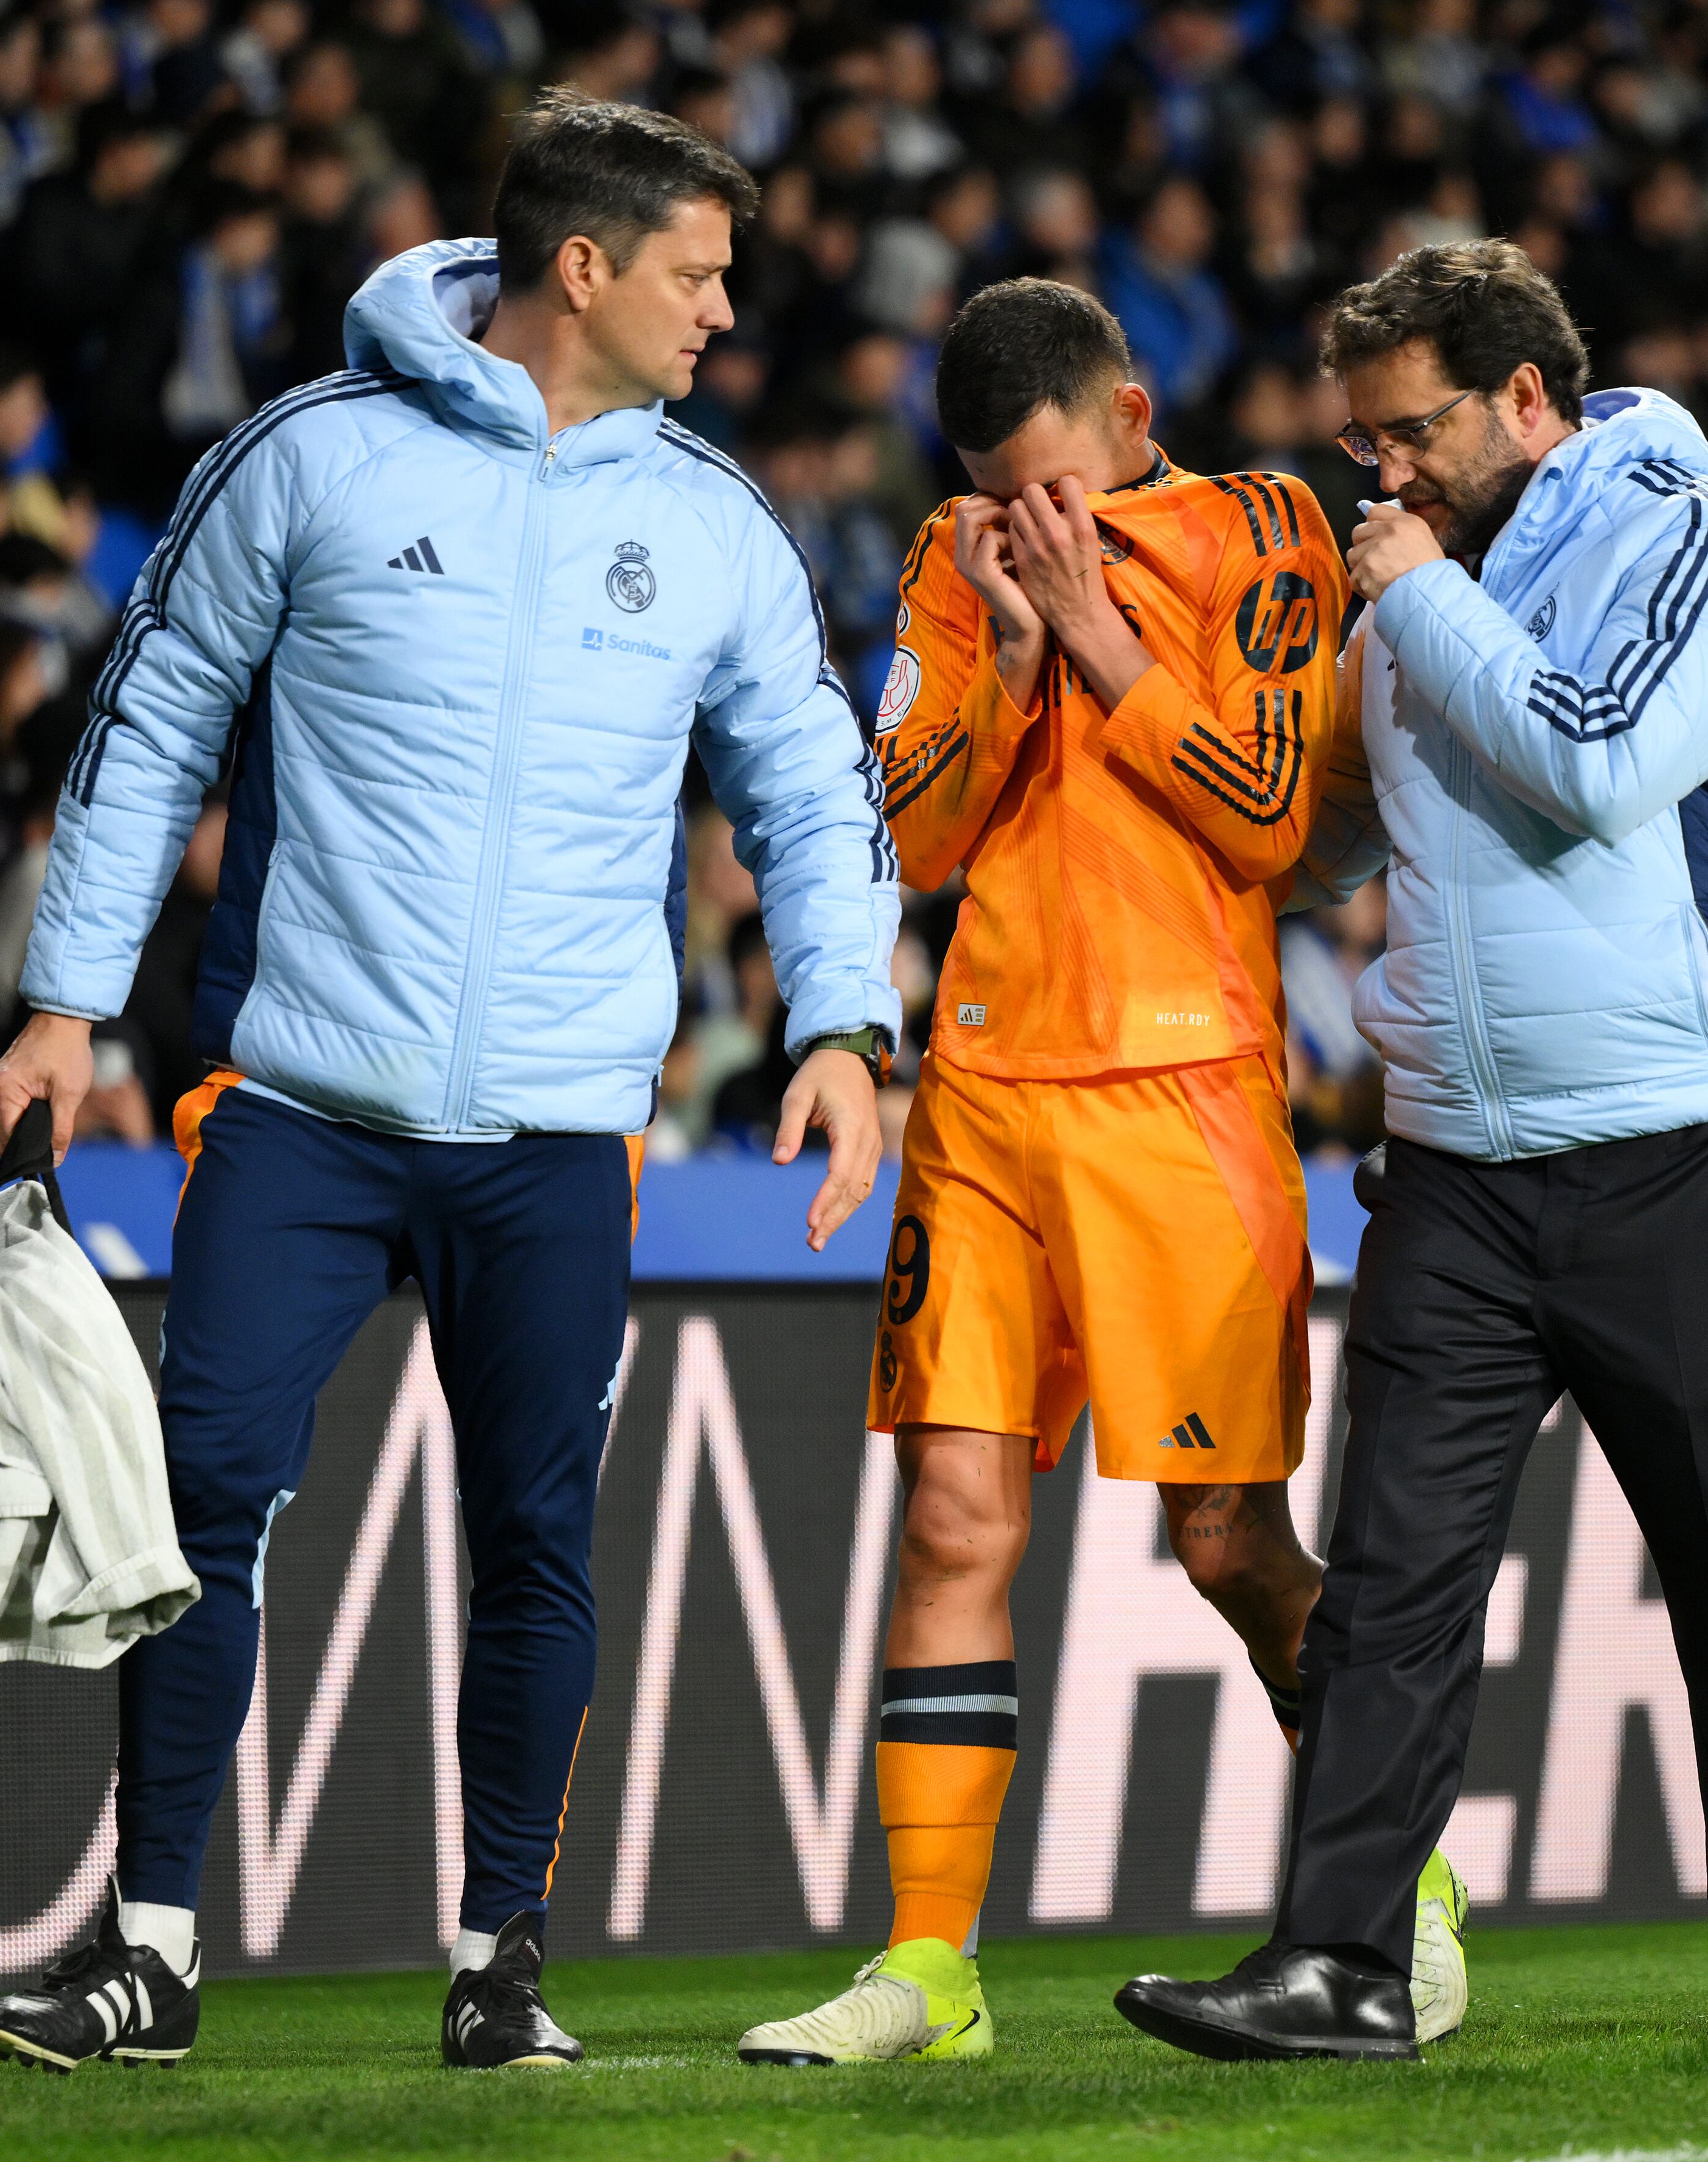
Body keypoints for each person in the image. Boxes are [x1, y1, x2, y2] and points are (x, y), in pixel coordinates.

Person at [0, 91, 894, 2076]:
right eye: (697, 274)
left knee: (534, 1543)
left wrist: (840, 1025)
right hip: (299, 1109)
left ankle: (500, 1962)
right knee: (199, 1501)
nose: (727, 311)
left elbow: (815, 790)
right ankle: (150, 1950)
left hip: (559, 1138)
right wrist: (65, 1001)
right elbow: (150, 720)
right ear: (585, 267)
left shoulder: (714, 523)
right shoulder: (307, 455)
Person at [1117, 239, 1708, 2060]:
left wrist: (1424, 599)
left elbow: (1594, 757)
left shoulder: (1688, 538)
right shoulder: (1420, 592)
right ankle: (1343, 1957)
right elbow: (1319, 834)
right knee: (1390, 1575)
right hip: (1451, 1165)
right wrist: (1119, 684)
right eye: (1361, 443)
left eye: (1410, 432)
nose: (1381, 472)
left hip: (1685, 1141)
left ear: (1528, 398)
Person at [737, 279, 1465, 2068]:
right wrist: (1002, 657)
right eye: (1002, 495)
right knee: (951, 1519)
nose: (1032, 524)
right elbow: (911, 837)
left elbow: (1273, 818)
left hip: (1182, 1095)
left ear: (1133, 419)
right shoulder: (950, 555)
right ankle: (928, 1965)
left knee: (1226, 1539)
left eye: (1056, 487)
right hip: (985, 1091)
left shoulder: (1264, 527)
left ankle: (1399, 1891)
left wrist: (1095, 633)